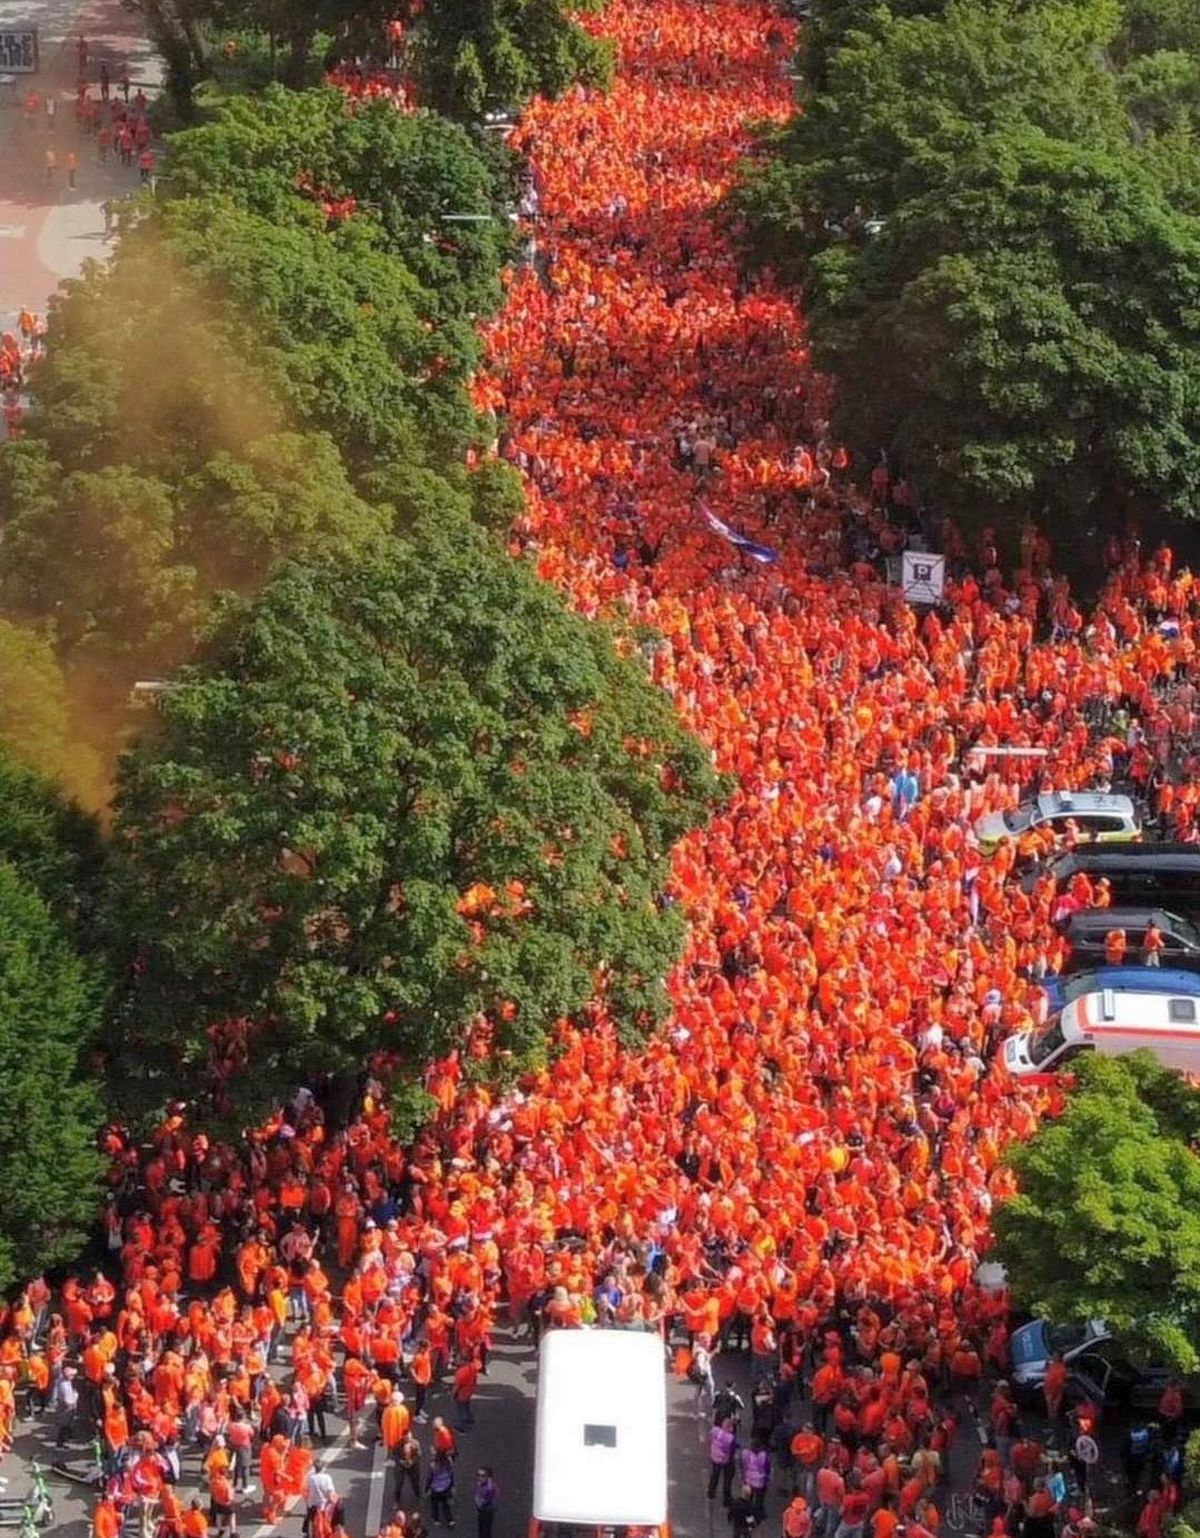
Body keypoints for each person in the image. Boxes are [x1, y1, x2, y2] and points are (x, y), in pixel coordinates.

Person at [709, 1414, 738, 1505]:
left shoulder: (715, 1431)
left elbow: (710, 1438)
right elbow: (732, 1450)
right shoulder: (730, 1438)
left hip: (715, 1457)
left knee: (715, 1475)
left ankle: (711, 1492)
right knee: (727, 1479)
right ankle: (726, 1499)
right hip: (726, 1460)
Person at [427, 1450, 456, 1528]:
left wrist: (427, 1488)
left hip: (435, 1488)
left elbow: (430, 1478)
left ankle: (436, 1519)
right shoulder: (448, 1464)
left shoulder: (433, 1466)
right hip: (446, 1487)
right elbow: (451, 1475)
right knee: (446, 1505)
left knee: (434, 1505)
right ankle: (450, 1520)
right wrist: (452, 1485)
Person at [474, 1467, 499, 1538]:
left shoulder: (489, 1488)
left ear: (488, 1477)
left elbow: (486, 1500)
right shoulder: (482, 1483)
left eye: (482, 1476)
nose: (480, 1478)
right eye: (478, 1475)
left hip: (486, 1509)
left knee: (485, 1527)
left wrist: (479, 1505)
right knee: (482, 1526)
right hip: (483, 1507)